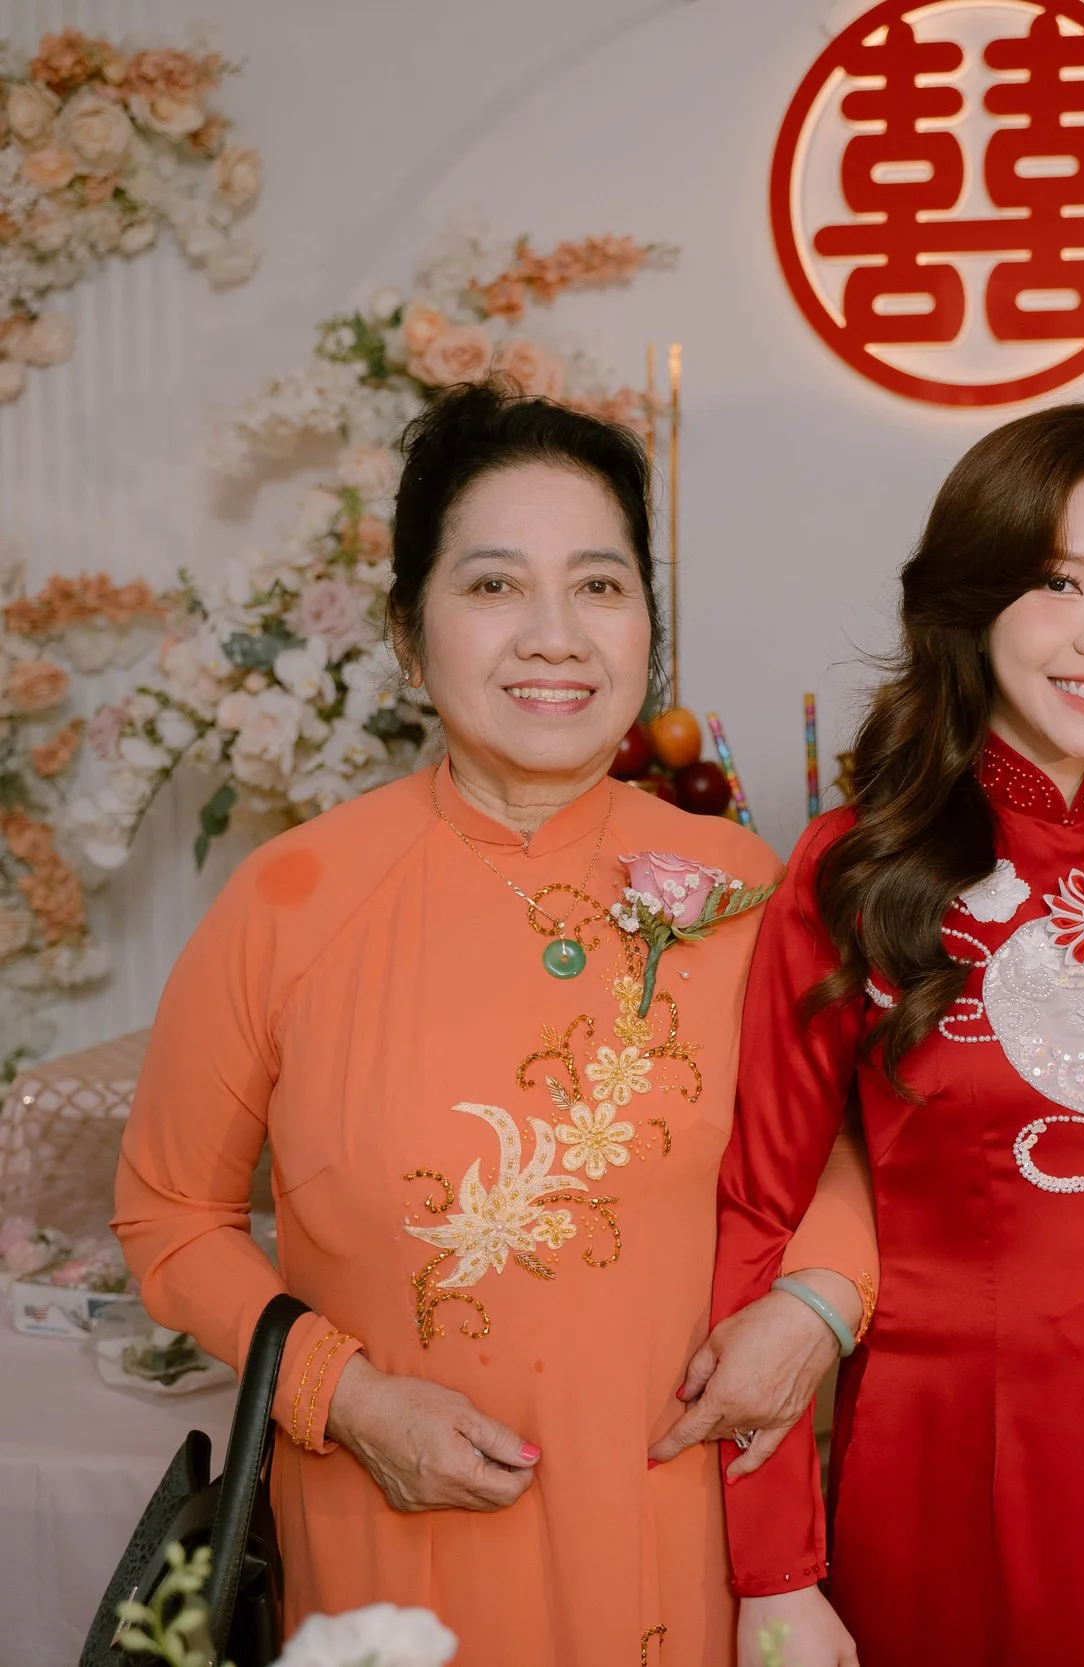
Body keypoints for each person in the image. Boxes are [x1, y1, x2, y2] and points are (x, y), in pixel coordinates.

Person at [114, 383, 785, 1663]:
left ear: (647, 625)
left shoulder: (740, 885)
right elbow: (168, 1214)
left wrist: (812, 1308)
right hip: (392, 1539)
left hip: (673, 1532)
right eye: (492, 585)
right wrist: (345, 1396)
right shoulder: (288, 897)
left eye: (599, 585)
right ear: (409, 637)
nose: (555, 635)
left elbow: (843, 1160)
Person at [666, 403, 1084, 1666]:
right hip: (946, 1477)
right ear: (969, 601)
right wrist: (775, 1571)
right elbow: (757, 1213)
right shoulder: (862, 871)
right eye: (1060, 582)